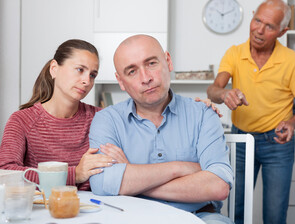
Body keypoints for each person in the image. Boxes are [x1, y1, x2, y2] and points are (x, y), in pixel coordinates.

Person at [89, 34, 234, 224]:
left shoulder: (203, 113)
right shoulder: (107, 120)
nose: (146, 78)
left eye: (151, 63)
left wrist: (131, 176)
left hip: (200, 217)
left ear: (168, 62)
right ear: (121, 81)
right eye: (132, 71)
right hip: (131, 218)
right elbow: (102, 183)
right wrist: (180, 168)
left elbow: (218, 186)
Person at [207, 0, 295, 224]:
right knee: (236, 210)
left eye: (269, 26)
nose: (259, 30)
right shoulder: (235, 53)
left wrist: (292, 123)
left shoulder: (292, 61)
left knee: (275, 215)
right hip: (241, 140)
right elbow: (213, 89)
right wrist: (224, 94)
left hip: (278, 143)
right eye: (257, 20)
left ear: (282, 31)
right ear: (253, 15)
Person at [0, 39, 115, 190]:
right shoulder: (22, 120)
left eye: (93, 75)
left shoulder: (101, 118)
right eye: (80, 69)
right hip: (42, 210)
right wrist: (75, 175)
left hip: (93, 209)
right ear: (54, 69)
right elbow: (6, 172)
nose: (87, 81)